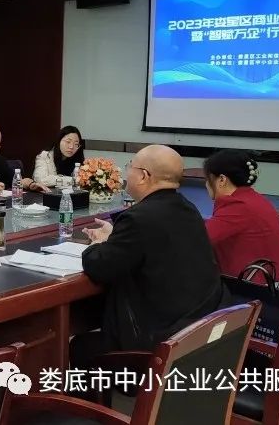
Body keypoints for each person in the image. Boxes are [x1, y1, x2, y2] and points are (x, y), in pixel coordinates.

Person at [72, 145, 225, 368]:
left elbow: (98, 265)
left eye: (130, 167)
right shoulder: (188, 208)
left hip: (156, 341)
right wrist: (116, 237)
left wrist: (99, 243)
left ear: (143, 176)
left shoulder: (138, 218)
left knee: (80, 346)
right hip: (192, 330)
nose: (127, 172)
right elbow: (152, 243)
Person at [203, 150, 279, 284]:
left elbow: (198, 240)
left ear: (221, 180)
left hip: (257, 291)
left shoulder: (237, 206)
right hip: (274, 283)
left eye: (207, 179)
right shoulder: (253, 198)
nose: (206, 184)